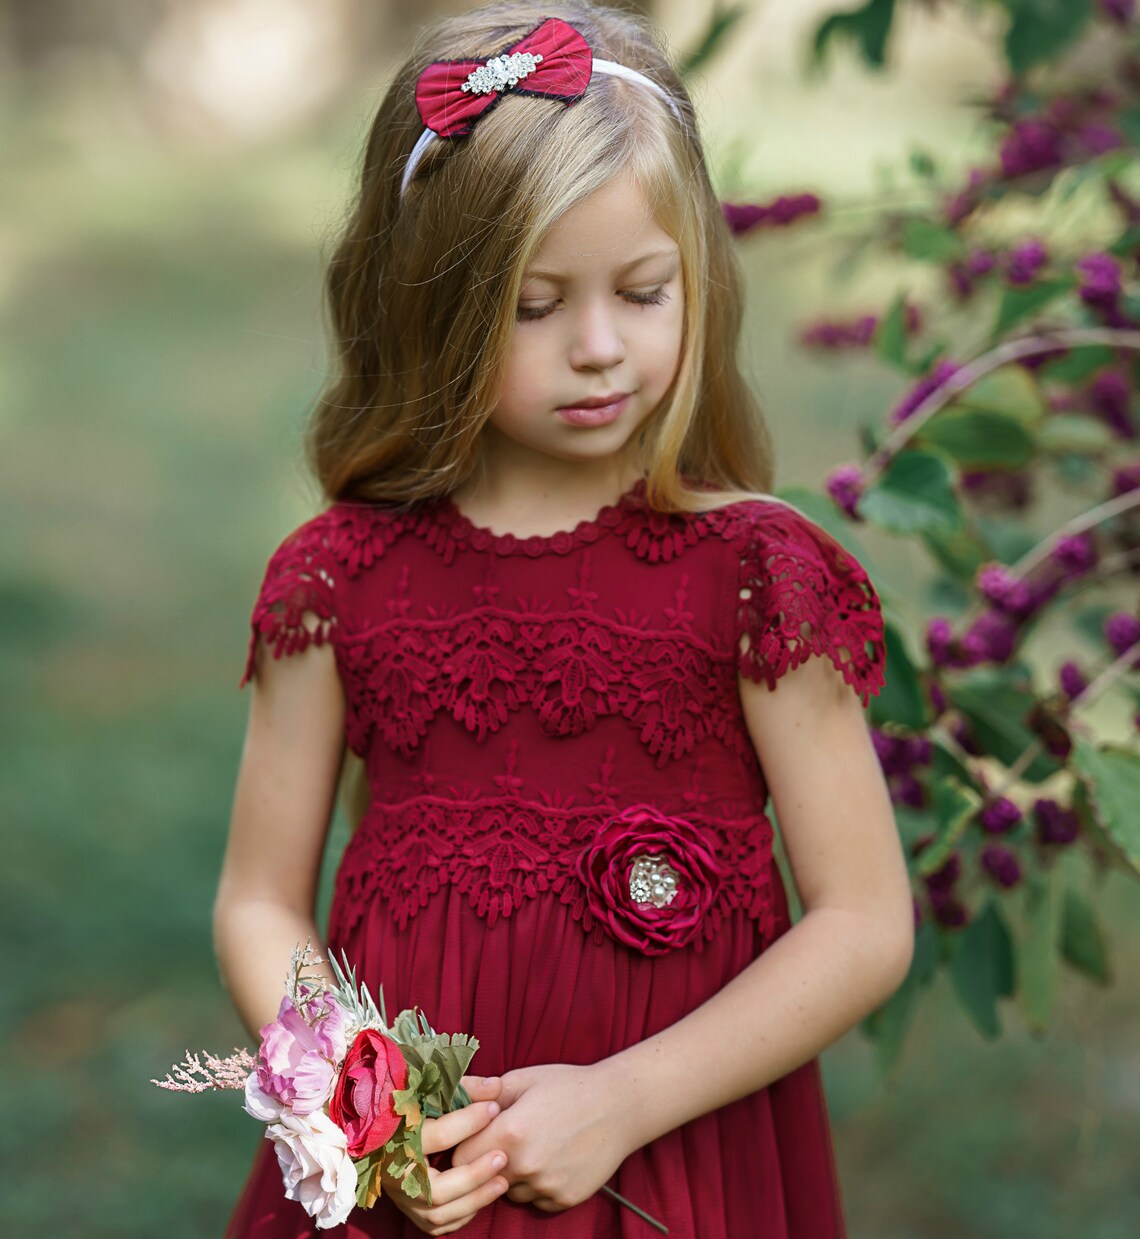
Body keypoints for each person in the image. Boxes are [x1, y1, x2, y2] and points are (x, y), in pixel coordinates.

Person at [214, 2, 915, 1235]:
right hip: (414, 1172)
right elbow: (258, 904)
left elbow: (862, 923)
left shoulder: (759, 574)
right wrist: (361, 1113)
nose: (599, 350)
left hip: (673, 1161)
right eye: (535, 309)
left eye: (644, 293)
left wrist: (627, 1099)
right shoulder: (338, 578)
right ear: (432, 308)